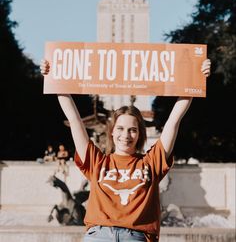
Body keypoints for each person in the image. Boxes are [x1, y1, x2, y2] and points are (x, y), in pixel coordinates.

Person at [40, 58, 211, 242]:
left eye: (133, 130)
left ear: (139, 134)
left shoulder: (151, 162)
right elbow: (74, 120)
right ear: (112, 132)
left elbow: (174, 121)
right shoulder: (97, 161)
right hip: (98, 235)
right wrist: (54, 79)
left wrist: (196, 78)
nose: (126, 135)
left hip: (135, 236)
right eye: (120, 128)